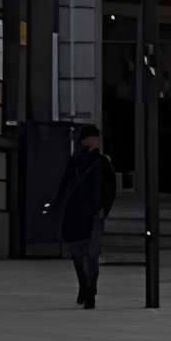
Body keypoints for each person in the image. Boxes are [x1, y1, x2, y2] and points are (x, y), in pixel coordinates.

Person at [48, 124, 117, 309]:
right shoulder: (83, 161)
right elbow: (66, 185)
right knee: (81, 254)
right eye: (92, 137)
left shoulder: (97, 161)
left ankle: (89, 291)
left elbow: (110, 188)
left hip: (90, 213)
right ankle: (86, 288)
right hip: (83, 213)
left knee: (88, 254)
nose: (95, 140)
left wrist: (104, 209)